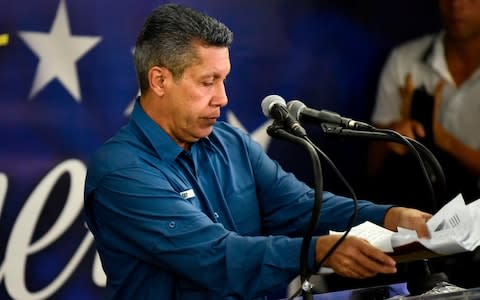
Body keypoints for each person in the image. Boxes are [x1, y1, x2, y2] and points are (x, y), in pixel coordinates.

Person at [83, 4, 432, 299]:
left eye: (224, 79)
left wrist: (391, 217)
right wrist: (315, 251)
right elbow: (215, 256)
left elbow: (301, 207)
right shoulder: (120, 172)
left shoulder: (230, 142)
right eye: (208, 81)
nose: (223, 98)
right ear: (159, 81)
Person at [368, 0, 480, 289]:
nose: (457, 5)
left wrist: (444, 141)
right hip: (417, 226)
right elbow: (372, 166)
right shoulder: (404, 60)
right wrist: (395, 137)